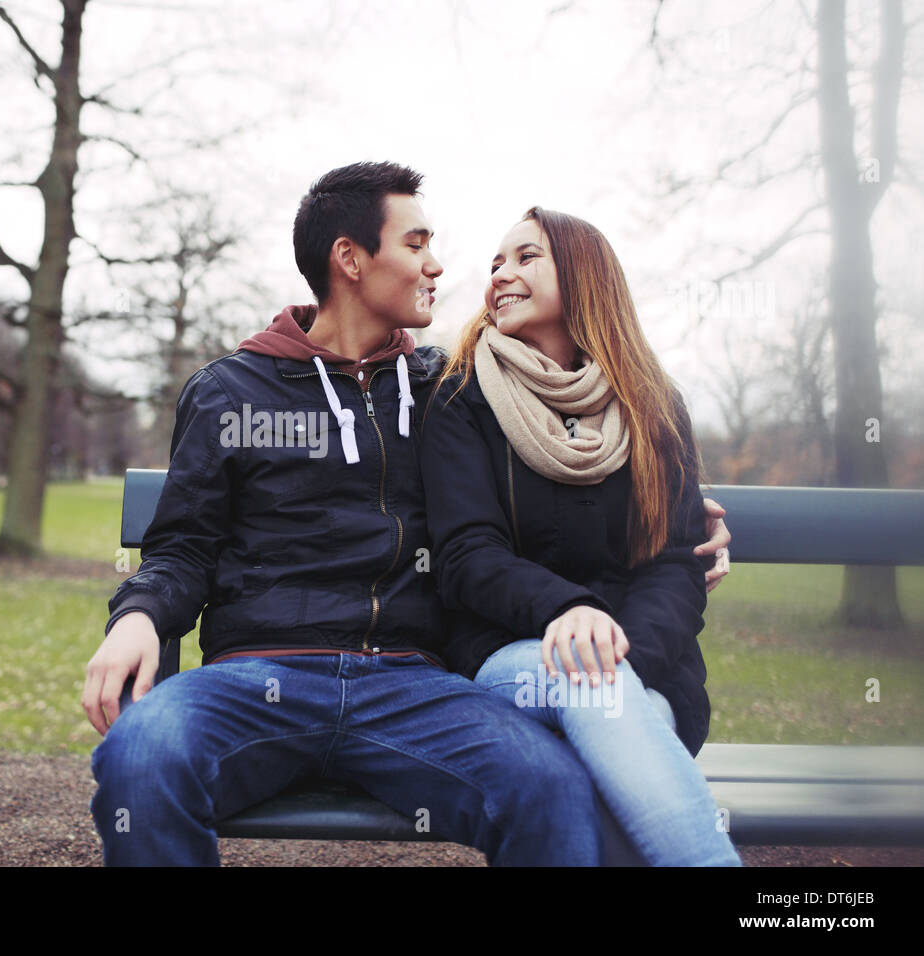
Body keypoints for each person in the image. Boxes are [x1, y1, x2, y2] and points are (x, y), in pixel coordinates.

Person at [82, 163, 731, 866]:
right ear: (350, 259)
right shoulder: (231, 393)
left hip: (413, 689)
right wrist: (139, 615)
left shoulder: (450, 392)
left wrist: (684, 517)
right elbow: (183, 545)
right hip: (258, 679)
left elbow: (563, 466)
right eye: (417, 243)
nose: (438, 264)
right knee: (142, 752)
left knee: (547, 786)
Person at [419, 206, 741, 865]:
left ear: (584, 275)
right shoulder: (461, 400)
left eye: (525, 257)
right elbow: (467, 557)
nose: (501, 274)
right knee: (589, 682)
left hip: (644, 668)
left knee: (604, 726)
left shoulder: (653, 403)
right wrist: (570, 613)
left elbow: (675, 564)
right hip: (509, 657)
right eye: (495, 264)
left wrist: (628, 658)